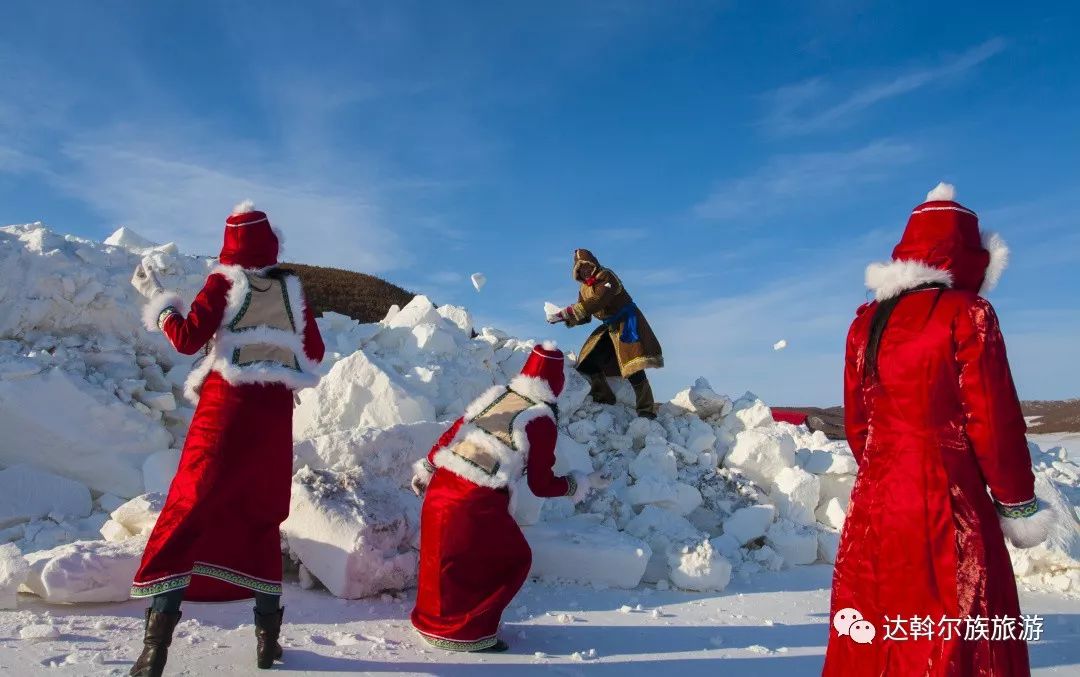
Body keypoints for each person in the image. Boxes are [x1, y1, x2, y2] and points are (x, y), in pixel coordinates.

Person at [823, 184, 1057, 676]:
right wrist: (1016, 502)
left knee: (881, 619)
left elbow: (858, 423)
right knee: (956, 614)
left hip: (879, 500)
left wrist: (884, 473)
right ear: (972, 259)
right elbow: (993, 419)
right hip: (948, 493)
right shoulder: (968, 313)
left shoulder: (865, 322)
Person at [127, 201, 325, 676]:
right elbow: (313, 351)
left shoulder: (223, 282)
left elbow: (186, 339)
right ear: (271, 243)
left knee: (190, 508)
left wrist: (159, 302)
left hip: (226, 407)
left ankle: (155, 651)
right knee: (260, 515)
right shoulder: (290, 289)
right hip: (273, 415)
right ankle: (267, 644)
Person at [409, 342, 607, 652]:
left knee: (443, 562)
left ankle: (432, 624)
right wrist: (578, 484)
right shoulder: (540, 418)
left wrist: (427, 468)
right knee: (511, 559)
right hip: (475, 499)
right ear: (557, 384)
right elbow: (541, 484)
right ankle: (466, 634)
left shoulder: (497, 397)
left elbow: (451, 436)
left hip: (442, 486)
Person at [547, 249, 664, 419]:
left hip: (627, 323)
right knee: (589, 362)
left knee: (633, 367)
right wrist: (563, 318)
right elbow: (585, 316)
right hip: (610, 328)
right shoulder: (584, 289)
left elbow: (598, 301)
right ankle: (604, 396)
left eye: (587, 266)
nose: (585, 271)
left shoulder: (607, 277)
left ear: (593, 264)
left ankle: (646, 409)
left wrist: (568, 311)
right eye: (581, 269)